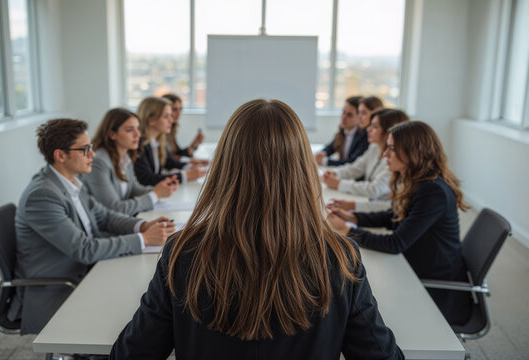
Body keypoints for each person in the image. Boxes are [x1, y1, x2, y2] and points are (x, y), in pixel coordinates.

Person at [110, 99, 403, 359]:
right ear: (302, 170)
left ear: (224, 167)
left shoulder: (182, 251)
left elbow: (131, 353)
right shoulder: (340, 256)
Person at [8, 119, 175, 334]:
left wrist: (142, 226)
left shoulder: (72, 182)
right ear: (60, 155)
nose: (93, 155)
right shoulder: (42, 196)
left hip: (85, 273)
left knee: (146, 295)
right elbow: (83, 249)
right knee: (139, 311)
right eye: (85, 149)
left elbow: (105, 217)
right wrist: (144, 240)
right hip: (58, 288)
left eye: (91, 148)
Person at [328, 121, 472, 326]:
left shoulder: (433, 191)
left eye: (392, 149)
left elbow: (395, 244)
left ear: (414, 152)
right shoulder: (421, 182)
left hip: (435, 286)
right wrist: (354, 217)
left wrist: (348, 231)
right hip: (418, 264)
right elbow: (394, 215)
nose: (385, 154)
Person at [82, 108, 179, 216]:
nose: (137, 134)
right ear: (112, 134)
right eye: (130, 130)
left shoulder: (125, 156)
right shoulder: (99, 162)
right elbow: (115, 208)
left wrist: (160, 189)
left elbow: (133, 189)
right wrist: (155, 195)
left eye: (137, 128)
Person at [322, 109, 409, 211]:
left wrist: (339, 183)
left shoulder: (397, 159)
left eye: (374, 127)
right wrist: (334, 173)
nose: (368, 129)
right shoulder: (375, 147)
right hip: (371, 204)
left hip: (382, 211)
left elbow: (375, 189)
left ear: (388, 131)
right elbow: (357, 167)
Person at [134, 96, 207, 186]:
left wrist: (190, 166)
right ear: (151, 120)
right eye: (166, 116)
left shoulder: (158, 141)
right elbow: (147, 179)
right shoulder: (138, 144)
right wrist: (185, 176)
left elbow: (170, 162)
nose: (171, 120)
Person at [314, 96, 369, 166]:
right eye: (343, 112)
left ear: (359, 117)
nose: (343, 117)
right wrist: (321, 154)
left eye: (349, 115)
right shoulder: (343, 131)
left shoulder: (365, 136)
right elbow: (330, 148)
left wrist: (325, 161)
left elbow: (352, 162)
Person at [162, 93, 205, 159]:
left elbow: (178, 154)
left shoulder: (171, 130)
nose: (179, 113)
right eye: (175, 109)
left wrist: (194, 145)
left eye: (180, 109)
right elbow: (169, 161)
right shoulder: (162, 132)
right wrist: (188, 162)